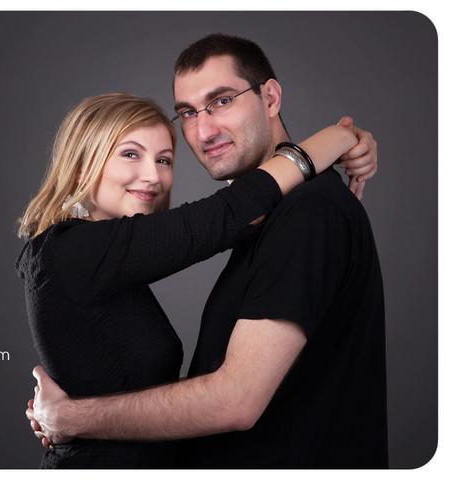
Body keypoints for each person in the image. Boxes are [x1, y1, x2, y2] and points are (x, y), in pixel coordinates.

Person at [26, 33, 386, 468]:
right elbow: (228, 212)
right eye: (188, 113)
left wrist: (71, 417)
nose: (204, 130)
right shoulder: (73, 251)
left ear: (270, 98)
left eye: (222, 101)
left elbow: (236, 401)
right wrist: (341, 136)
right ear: (84, 162)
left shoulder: (305, 212)